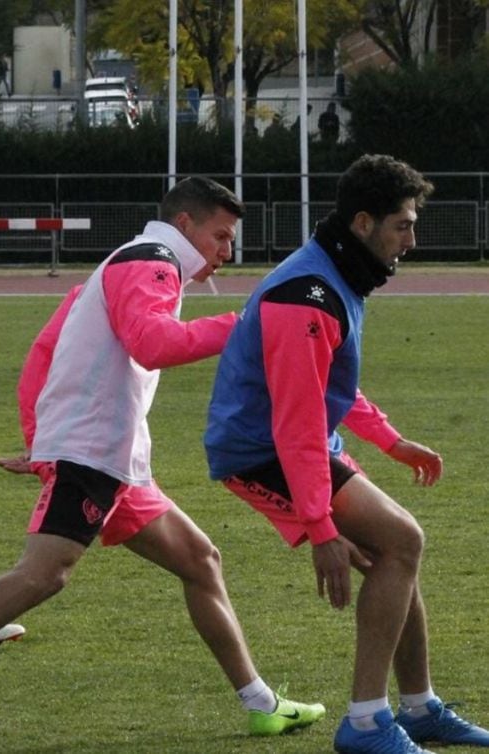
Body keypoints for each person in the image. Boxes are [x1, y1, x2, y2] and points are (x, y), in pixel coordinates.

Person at [0, 177, 326, 745]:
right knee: (47, 572)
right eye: (220, 236)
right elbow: (154, 343)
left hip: (113, 455)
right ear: (185, 225)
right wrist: (244, 329)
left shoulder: (130, 259)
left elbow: (49, 341)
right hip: (94, 448)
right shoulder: (156, 262)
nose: (227, 251)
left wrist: (43, 440)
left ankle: (262, 704)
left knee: (201, 560)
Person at [204, 154, 489, 754]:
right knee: (403, 542)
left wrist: (390, 439)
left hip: (292, 442)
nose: (412, 238)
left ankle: (418, 708)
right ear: (364, 222)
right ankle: (365, 722)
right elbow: (297, 424)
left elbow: (327, 384)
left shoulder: (336, 274)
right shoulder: (307, 295)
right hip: (261, 451)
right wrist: (321, 526)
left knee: (397, 549)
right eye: (403, 225)